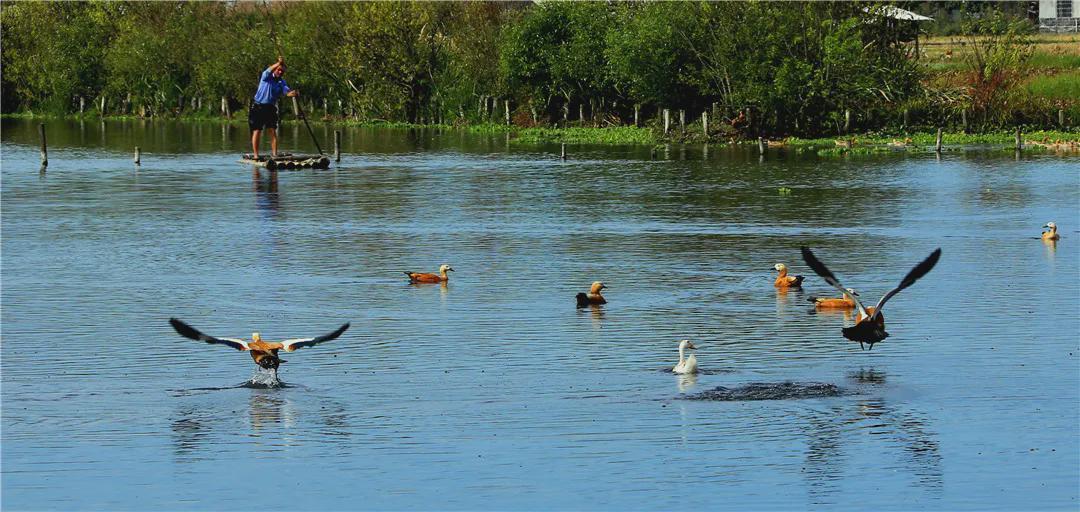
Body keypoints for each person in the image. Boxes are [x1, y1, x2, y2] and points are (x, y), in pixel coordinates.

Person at [249, 56, 299, 159]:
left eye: (282, 71)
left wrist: (292, 93)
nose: (280, 72)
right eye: (279, 70)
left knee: (272, 130)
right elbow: (269, 69)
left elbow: (287, 92)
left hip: (270, 108)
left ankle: (275, 154)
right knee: (257, 130)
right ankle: (256, 155)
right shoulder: (266, 76)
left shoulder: (281, 82)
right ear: (275, 69)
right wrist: (278, 62)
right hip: (258, 106)